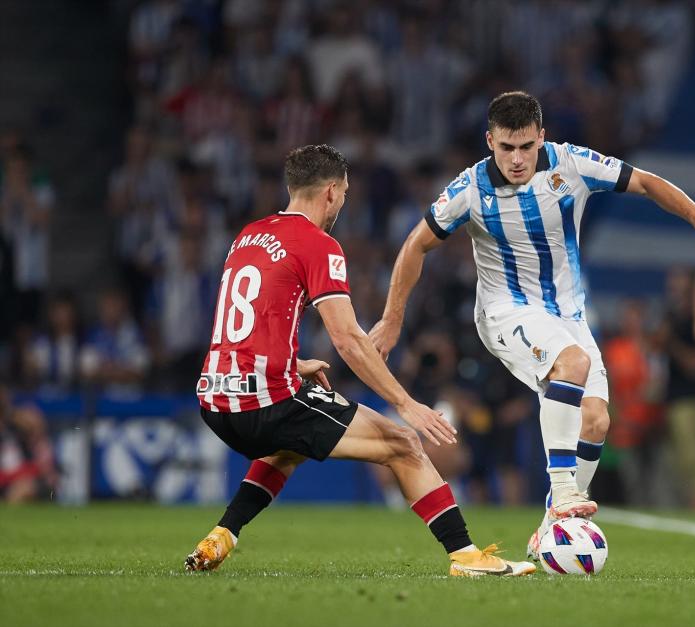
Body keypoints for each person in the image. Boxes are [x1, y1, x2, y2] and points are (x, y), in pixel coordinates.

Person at [368, 91, 695, 562]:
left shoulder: (571, 164)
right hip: (505, 312)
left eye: (526, 147)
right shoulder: (468, 189)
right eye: (505, 148)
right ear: (490, 141)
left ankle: (553, 524)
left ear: (541, 138)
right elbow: (415, 245)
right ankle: (565, 492)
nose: (516, 158)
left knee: (596, 419)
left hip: (568, 314)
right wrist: (391, 319)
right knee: (573, 363)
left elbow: (647, 182)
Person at [184, 144, 534, 577]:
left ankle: (222, 534)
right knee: (404, 444)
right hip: (263, 402)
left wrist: (293, 367)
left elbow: (241, 327)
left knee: (289, 445)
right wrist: (406, 404)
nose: (344, 202)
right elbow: (349, 339)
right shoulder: (319, 244)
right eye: (345, 193)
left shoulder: (248, 236)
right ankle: (466, 556)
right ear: (330, 192)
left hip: (214, 400)